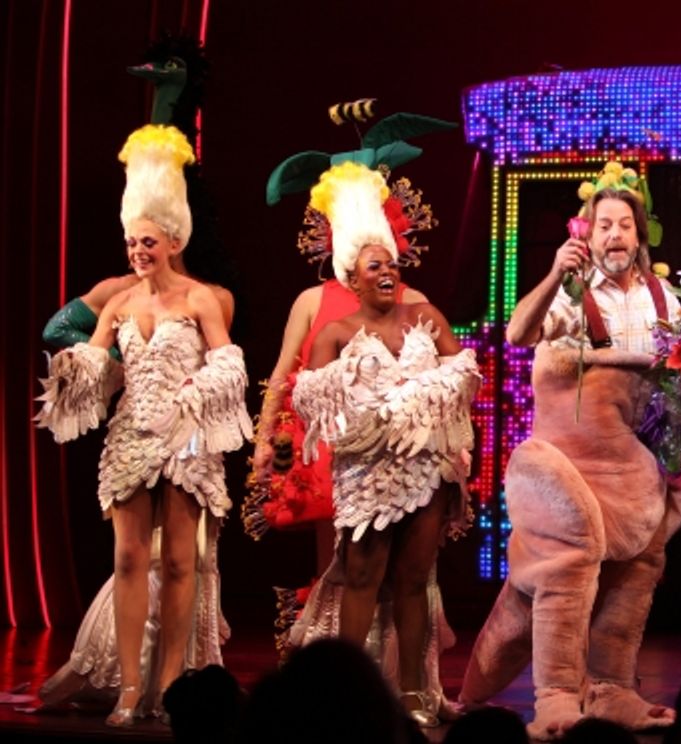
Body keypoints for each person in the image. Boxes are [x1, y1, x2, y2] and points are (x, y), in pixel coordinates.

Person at [459, 169, 681, 740]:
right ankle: (557, 696)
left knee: (636, 574)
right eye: (603, 225)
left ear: (641, 235)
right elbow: (517, 334)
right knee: (564, 571)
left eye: (624, 225)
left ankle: (612, 690)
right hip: (566, 472)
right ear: (587, 235)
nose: (614, 235)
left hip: (636, 471)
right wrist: (552, 275)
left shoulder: (667, 300)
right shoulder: (570, 296)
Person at [35, 124, 253, 726]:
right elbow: (94, 363)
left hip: (184, 439)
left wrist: (199, 392)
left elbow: (228, 360)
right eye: (132, 241)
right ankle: (129, 686)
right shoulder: (120, 303)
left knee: (181, 562)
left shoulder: (200, 298)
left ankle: (167, 683)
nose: (137, 251)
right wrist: (78, 372)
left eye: (148, 241)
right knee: (130, 559)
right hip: (132, 437)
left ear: (173, 238)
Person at [290, 161, 479, 727]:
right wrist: (360, 407)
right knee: (362, 575)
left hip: (424, 468)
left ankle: (416, 693)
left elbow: (464, 373)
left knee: (414, 579)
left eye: (392, 263)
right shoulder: (335, 333)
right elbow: (311, 399)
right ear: (353, 278)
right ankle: (347, 693)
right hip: (366, 474)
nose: (388, 271)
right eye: (376, 265)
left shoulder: (426, 316)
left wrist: (424, 402)